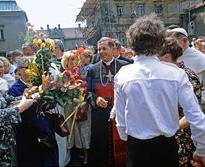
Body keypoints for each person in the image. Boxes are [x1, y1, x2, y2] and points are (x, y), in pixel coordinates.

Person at [113, 14, 205, 167]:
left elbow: (120, 117)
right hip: (166, 146)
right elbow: (195, 116)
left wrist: (125, 136)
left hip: (137, 147)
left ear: (132, 44)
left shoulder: (123, 74)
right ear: (160, 43)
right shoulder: (176, 73)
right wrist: (201, 150)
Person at [158, 37, 202, 166]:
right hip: (167, 135)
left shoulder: (187, 76)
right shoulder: (163, 75)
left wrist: (170, 127)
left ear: (166, 57)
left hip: (183, 138)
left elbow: (194, 113)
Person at [87, 37, 129, 166]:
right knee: (102, 145)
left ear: (113, 49)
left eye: (104, 48)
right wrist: (96, 98)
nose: (101, 51)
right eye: (99, 49)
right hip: (101, 114)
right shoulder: (92, 70)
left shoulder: (126, 67)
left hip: (121, 112)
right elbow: (88, 92)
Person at [167, 27, 205, 103]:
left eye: (173, 43)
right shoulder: (166, 57)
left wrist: (199, 102)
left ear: (184, 41)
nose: (169, 47)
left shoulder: (201, 59)